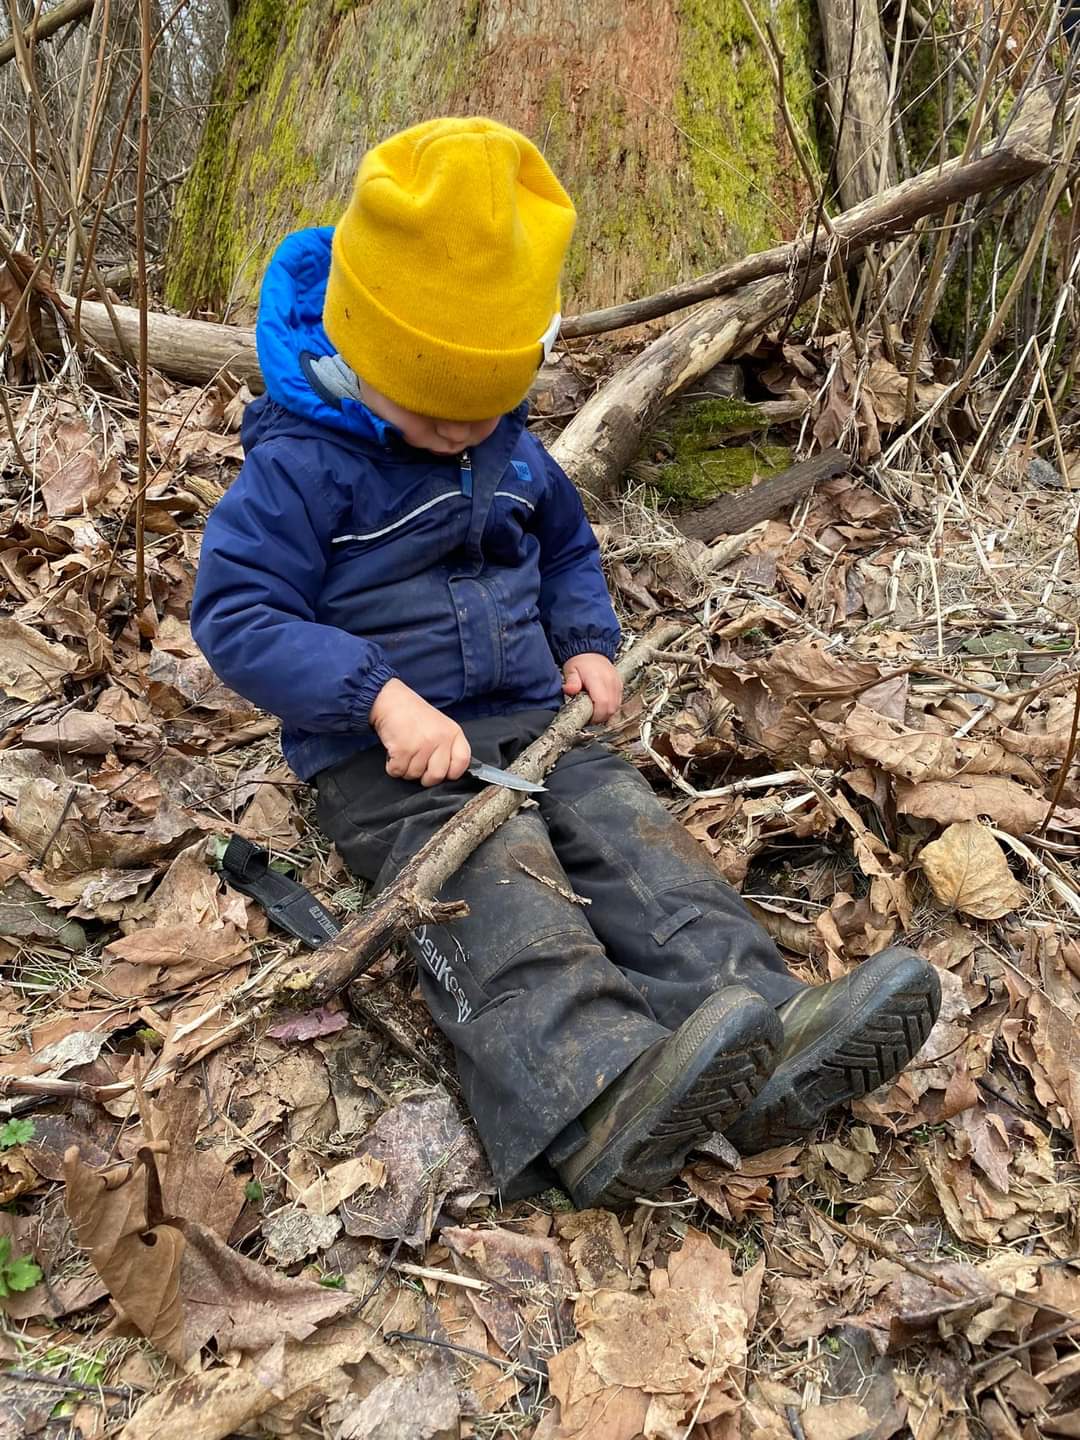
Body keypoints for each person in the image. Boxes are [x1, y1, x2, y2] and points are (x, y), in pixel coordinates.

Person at [191, 117, 940, 1208]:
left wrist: (587, 643)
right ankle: (594, 1095)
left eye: (488, 407)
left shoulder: (505, 444)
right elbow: (239, 614)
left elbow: (562, 543)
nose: (466, 433)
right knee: (503, 901)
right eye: (436, 409)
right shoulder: (303, 469)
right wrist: (378, 699)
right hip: (390, 766)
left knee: (642, 855)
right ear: (361, 354)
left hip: (534, 721)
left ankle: (765, 1028)